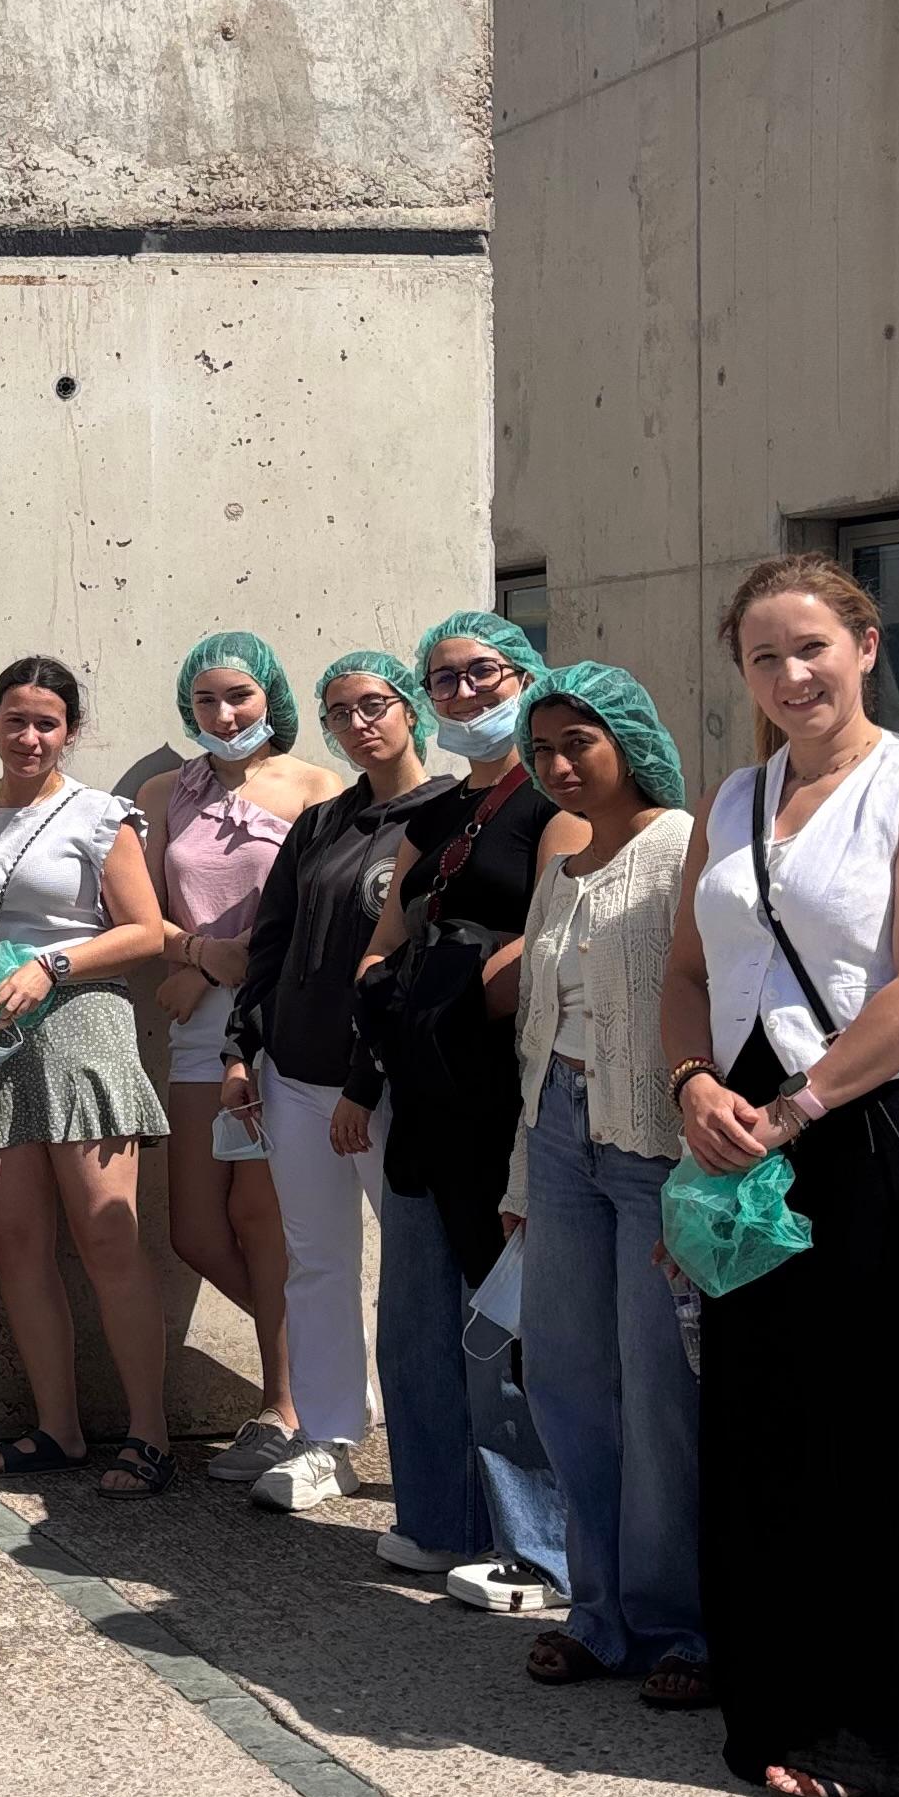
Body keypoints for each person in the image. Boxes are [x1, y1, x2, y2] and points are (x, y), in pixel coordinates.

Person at [659, 555, 899, 1797]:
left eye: (812, 648)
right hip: (742, 1127)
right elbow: (688, 970)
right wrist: (690, 1083)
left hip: (872, 1127)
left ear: (865, 645)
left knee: (880, 1434)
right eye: (764, 657)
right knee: (761, 1420)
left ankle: (893, 1735)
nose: (791, 675)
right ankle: (778, 1701)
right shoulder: (735, 797)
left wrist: (799, 1107)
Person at [350, 611, 569, 1613]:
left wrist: (458, 996)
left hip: (502, 1087)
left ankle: (541, 1546)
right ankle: (442, 1519)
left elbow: (557, 928)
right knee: (417, 1318)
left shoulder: (554, 799)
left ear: (525, 675)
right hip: (422, 1087)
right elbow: (387, 930)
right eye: (443, 679)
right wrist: (386, 992)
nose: (465, 692)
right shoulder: (436, 815)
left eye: (484, 672)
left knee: (504, 1319)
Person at [499, 663, 702, 1705]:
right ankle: (599, 1613)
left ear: (629, 738)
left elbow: (706, 996)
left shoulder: (681, 847)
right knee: (564, 1376)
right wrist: (521, 1176)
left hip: (653, 1142)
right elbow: (538, 1027)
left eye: (578, 742)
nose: (558, 765)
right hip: (557, 1139)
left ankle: (679, 1625)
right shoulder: (562, 863)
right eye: (541, 750)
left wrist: (701, 1165)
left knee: (659, 1387)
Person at [0, 659, 177, 1490]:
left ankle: (149, 1433)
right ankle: (58, 1428)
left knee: (108, 1236)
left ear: (70, 731)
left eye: (47, 722)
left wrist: (52, 965)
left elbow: (145, 931)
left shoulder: (99, 814)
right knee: (17, 1243)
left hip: (84, 1027)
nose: (29, 736)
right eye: (14, 719)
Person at [217, 652, 441, 1514]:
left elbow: (419, 968)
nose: (358, 724)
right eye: (339, 712)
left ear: (409, 707)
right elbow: (269, 945)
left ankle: (439, 1457)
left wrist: (365, 1078)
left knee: (421, 1271)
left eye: (373, 705)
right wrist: (242, 1052)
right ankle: (329, 1438)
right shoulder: (321, 824)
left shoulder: (447, 816)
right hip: (294, 1078)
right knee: (315, 1264)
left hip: (384, 1089)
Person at [151, 633, 333, 1485]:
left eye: (240, 697)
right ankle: (329, 1361)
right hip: (195, 1026)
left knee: (264, 1221)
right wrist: (196, 957)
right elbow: (141, 913)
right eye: (206, 700)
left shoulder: (317, 788)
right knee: (195, 1230)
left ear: (272, 698)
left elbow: (319, 914)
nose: (223, 715)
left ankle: (286, 1406)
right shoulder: (163, 793)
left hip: (276, 1019)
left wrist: (226, 969)